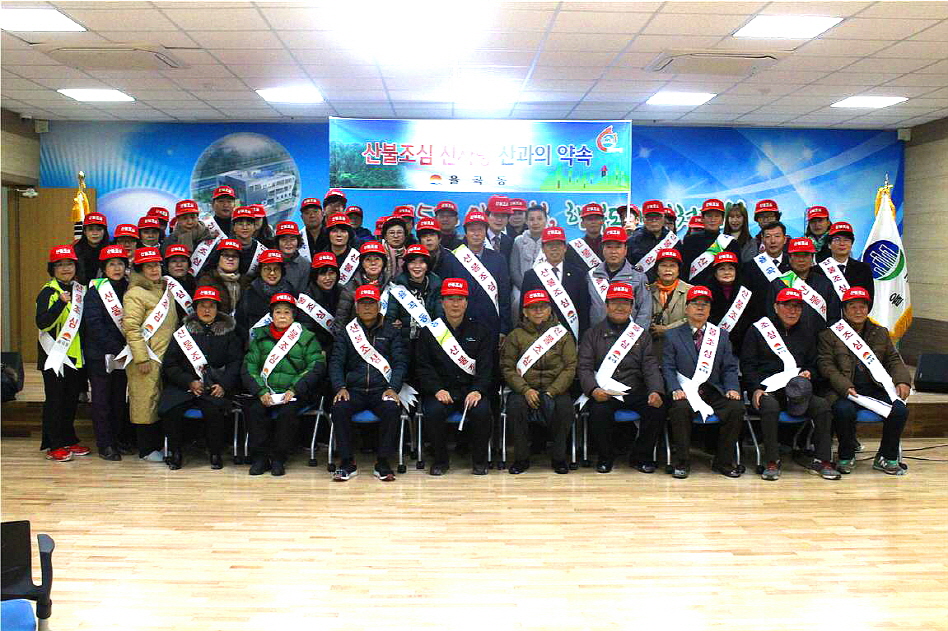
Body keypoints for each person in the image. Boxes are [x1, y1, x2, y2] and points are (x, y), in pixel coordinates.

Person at [742, 288, 839, 481]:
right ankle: (772, 461)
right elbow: (747, 365)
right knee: (769, 406)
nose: (792, 311)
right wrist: (755, 389)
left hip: (798, 390)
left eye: (797, 307)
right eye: (787, 306)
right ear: (776, 307)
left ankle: (822, 460)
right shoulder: (758, 330)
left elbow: (815, 363)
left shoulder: (807, 331)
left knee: (822, 406)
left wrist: (809, 373)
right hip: (768, 390)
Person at [818, 287, 912, 475]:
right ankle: (846, 456)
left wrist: (903, 381)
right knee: (843, 410)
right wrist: (844, 386)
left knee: (900, 410)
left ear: (868, 309)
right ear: (845, 310)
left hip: (875, 389)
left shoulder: (880, 332)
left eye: (862, 307)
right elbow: (826, 366)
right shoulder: (829, 335)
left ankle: (886, 456)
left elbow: (894, 360)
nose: (858, 311)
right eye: (853, 307)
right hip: (844, 391)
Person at [578, 281, 665, 473]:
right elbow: (584, 367)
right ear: (606, 306)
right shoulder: (592, 334)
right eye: (615, 302)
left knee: (657, 409)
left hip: (635, 389)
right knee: (598, 412)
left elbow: (650, 366)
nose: (620, 307)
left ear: (632, 307)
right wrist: (593, 390)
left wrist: (656, 391)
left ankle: (641, 457)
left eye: (625, 303)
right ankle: (605, 457)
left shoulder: (641, 335)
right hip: (605, 391)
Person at [662, 285, 744, 478]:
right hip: (685, 391)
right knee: (679, 409)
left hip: (713, 390)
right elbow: (668, 368)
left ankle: (723, 462)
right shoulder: (672, 335)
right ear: (686, 308)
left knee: (736, 408)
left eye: (705, 304)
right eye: (696, 303)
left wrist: (732, 388)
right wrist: (674, 388)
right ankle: (682, 462)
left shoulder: (720, 336)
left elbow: (729, 367)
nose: (700, 308)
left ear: (710, 309)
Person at [158, 286, 242, 470]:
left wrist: (224, 385)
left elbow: (235, 363)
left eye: (211, 306)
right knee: (172, 410)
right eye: (202, 306)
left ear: (217, 309)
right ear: (195, 308)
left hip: (214, 386)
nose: (206, 310)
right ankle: (175, 452)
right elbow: (170, 365)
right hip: (184, 386)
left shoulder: (229, 334)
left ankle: (215, 453)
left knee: (214, 411)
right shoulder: (182, 333)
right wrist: (188, 381)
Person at [415, 279, 494, 475]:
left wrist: (478, 390)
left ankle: (480, 462)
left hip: (471, 390)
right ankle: (440, 461)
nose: (455, 304)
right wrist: (437, 389)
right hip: (443, 391)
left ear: (466, 303)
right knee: (433, 411)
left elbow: (487, 367)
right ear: (442, 302)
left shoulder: (481, 331)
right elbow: (423, 367)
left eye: (460, 299)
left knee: (482, 411)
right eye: (450, 299)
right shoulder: (429, 332)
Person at [242, 292, 326, 476]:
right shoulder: (260, 337)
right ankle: (260, 458)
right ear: (271, 315)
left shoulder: (306, 337)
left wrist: (294, 389)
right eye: (278, 312)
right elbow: (249, 367)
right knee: (255, 410)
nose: (282, 316)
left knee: (287, 414)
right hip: (266, 391)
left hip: (294, 393)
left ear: (293, 315)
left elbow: (315, 367)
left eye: (286, 312)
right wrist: (261, 391)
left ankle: (279, 458)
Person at [329, 285, 407, 482]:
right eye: (363, 303)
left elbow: (400, 363)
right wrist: (340, 387)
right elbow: (336, 363)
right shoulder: (347, 332)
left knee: (392, 409)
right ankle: (347, 463)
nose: (367, 307)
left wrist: (393, 388)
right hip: (353, 390)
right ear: (356, 307)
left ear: (379, 306)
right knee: (339, 408)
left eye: (371, 303)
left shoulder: (391, 331)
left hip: (382, 390)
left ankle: (383, 463)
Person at [501, 289, 577, 474]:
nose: (538, 311)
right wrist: (525, 390)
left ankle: (559, 458)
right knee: (516, 407)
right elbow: (507, 368)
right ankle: (521, 459)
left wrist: (553, 390)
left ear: (549, 310)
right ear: (525, 312)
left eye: (542, 307)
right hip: (524, 389)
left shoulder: (563, 335)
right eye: (533, 308)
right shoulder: (515, 336)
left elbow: (570, 367)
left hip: (555, 389)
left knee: (565, 408)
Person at [123, 246, 179, 462]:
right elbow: (131, 328)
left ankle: (159, 444)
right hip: (146, 358)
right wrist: (141, 358)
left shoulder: (164, 290)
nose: (154, 270)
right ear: (140, 270)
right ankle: (146, 449)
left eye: (156, 265)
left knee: (158, 401)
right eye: (149, 266)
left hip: (165, 357)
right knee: (144, 402)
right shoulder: (135, 294)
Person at [36, 244, 90, 462]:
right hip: (54, 356)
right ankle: (54, 444)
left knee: (70, 401)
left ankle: (69, 439)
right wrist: (60, 304)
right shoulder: (48, 292)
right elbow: (42, 323)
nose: (65, 268)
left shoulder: (81, 290)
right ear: (53, 269)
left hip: (75, 357)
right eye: (60, 265)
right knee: (55, 402)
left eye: (69, 264)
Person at [84, 245, 131, 460]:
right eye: (112, 264)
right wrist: (117, 348)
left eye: (120, 263)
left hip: (123, 354)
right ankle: (105, 444)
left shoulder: (130, 288)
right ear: (104, 268)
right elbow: (94, 325)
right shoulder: (95, 291)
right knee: (102, 401)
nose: (117, 268)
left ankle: (118, 438)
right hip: (100, 354)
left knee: (119, 399)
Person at [520, 226, 590, 340]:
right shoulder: (531, 275)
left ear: (565, 248)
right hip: (540, 336)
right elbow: (524, 310)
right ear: (543, 249)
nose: (554, 248)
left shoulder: (578, 274)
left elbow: (584, 309)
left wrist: (583, 337)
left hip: (571, 333)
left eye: (558, 244)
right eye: (549, 245)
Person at [455, 209, 512, 344]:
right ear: (465, 233)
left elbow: (504, 296)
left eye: (480, 230)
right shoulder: (453, 258)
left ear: (485, 232)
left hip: (490, 323)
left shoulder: (498, 259)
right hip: (462, 323)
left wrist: (503, 328)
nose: (476, 234)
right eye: (472, 230)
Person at [766, 237, 839, 332]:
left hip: (819, 338)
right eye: (797, 255)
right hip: (787, 337)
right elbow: (771, 316)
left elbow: (834, 317)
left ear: (812, 258)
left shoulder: (824, 283)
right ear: (790, 258)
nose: (801, 260)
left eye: (805, 255)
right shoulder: (778, 284)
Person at [386, 244, 444, 354]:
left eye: (421, 262)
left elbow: (439, 316)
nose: (417, 266)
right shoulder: (398, 287)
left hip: (429, 343)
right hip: (402, 344)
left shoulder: (436, 286)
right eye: (412, 262)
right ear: (407, 265)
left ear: (427, 265)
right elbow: (391, 318)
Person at [588, 227, 651, 329]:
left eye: (618, 247)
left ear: (625, 249)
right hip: (597, 335)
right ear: (603, 249)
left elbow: (645, 311)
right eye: (609, 247)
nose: (613, 251)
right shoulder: (592, 275)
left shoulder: (638, 276)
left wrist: (638, 336)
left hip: (629, 336)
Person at [235, 249, 295, 345]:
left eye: (276, 269)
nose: (272, 273)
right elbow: (240, 324)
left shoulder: (291, 292)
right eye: (267, 269)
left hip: (287, 346)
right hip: (256, 346)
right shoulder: (249, 293)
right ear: (260, 270)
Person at [680, 198, 742, 286]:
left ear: (722, 220)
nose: (713, 219)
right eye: (709, 216)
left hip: (721, 291)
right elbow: (683, 270)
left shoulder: (731, 243)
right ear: (702, 219)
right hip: (694, 290)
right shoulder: (690, 241)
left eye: (717, 216)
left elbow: (738, 272)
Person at [334, 241, 392, 333]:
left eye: (377, 259)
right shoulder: (350, 288)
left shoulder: (392, 285)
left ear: (383, 262)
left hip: (385, 336)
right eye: (368, 259)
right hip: (357, 336)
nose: (373, 263)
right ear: (362, 263)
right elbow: (341, 321)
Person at [741, 221, 790, 324]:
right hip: (760, 323)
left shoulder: (792, 264)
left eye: (777, 236)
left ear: (785, 239)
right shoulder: (750, 266)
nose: (773, 241)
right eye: (768, 237)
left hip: (789, 322)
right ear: (762, 239)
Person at [815, 221, 875, 304]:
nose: (842, 243)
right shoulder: (817, 270)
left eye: (846, 240)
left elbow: (869, 299)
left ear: (851, 244)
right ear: (829, 245)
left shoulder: (863, 269)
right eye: (837, 239)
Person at [648, 248, 692, 359]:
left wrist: (667, 330)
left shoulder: (691, 291)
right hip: (654, 349)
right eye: (663, 265)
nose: (668, 269)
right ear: (657, 270)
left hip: (682, 348)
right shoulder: (647, 291)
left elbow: (693, 319)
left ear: (678, 270)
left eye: (672, 266)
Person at [707, 251, 752, 354]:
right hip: (714, 345)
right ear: (715, 273)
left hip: (743, 345)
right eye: (722, 269)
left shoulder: (746, 292)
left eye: (731, 268)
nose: (727, 272)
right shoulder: (707, 292)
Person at [300, 252, 342, 357]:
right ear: (315, 276)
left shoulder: (343, 291)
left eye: (331, 273)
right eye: (323, 274)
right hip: (317, 349)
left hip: (340, 346)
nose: (328, 278)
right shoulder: (307, 298)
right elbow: (307, 332)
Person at [626, 200, 677, 283]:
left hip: (668, 286)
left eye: (657, 217)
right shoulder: (632, 241)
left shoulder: (673, 240)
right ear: (643, 219)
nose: (654, 221)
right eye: (649, 217)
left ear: (663, 218)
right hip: (641, 287)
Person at [510, 204, 547, 307]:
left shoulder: (551, 241)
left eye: (539, 219)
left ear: (546, 220)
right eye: (531, 219)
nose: (535, 223)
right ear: (526, 221)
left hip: (547, 286)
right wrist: (526, 287)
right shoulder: (518, 241)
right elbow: (514, 269)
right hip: (521, 288)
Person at [196, 239, 244, 315]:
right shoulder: (206, 281)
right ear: (218, 258)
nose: (230, 259)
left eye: (235, 256)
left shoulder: (245, 281)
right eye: (226, 255)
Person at [273, 221, 310, 294]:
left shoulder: (305, 264)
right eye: (284, 239)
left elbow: (303, 293)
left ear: (298, 241)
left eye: (292, 239)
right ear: (277, 242)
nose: (288, 243)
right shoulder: (269, 261)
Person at [73, 212, 109, 284]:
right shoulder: (74, 251)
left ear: (104, 232)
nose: (95, 233)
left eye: (99, 229)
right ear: (84, 231)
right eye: (90, 229)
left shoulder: (111, 251)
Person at [230, 206, 266, 277]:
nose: (245, 228)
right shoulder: (223, 247)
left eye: (248, 224)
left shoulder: (262, 251)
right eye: (240, 224)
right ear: (234, 227)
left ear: (254, 227)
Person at [163, 244, 196, 321]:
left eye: (183, 261)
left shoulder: (197, 283)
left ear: (188, 264)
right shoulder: (161, 285)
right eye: (174, 261)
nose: (179, 265)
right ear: (167, 265)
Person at [486, 195, 515, 262]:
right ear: (487, 216)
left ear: (508, 219)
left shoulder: (509, 241)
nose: (499, 220)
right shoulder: (478, 238)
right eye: (495, 215)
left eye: (503, 216)